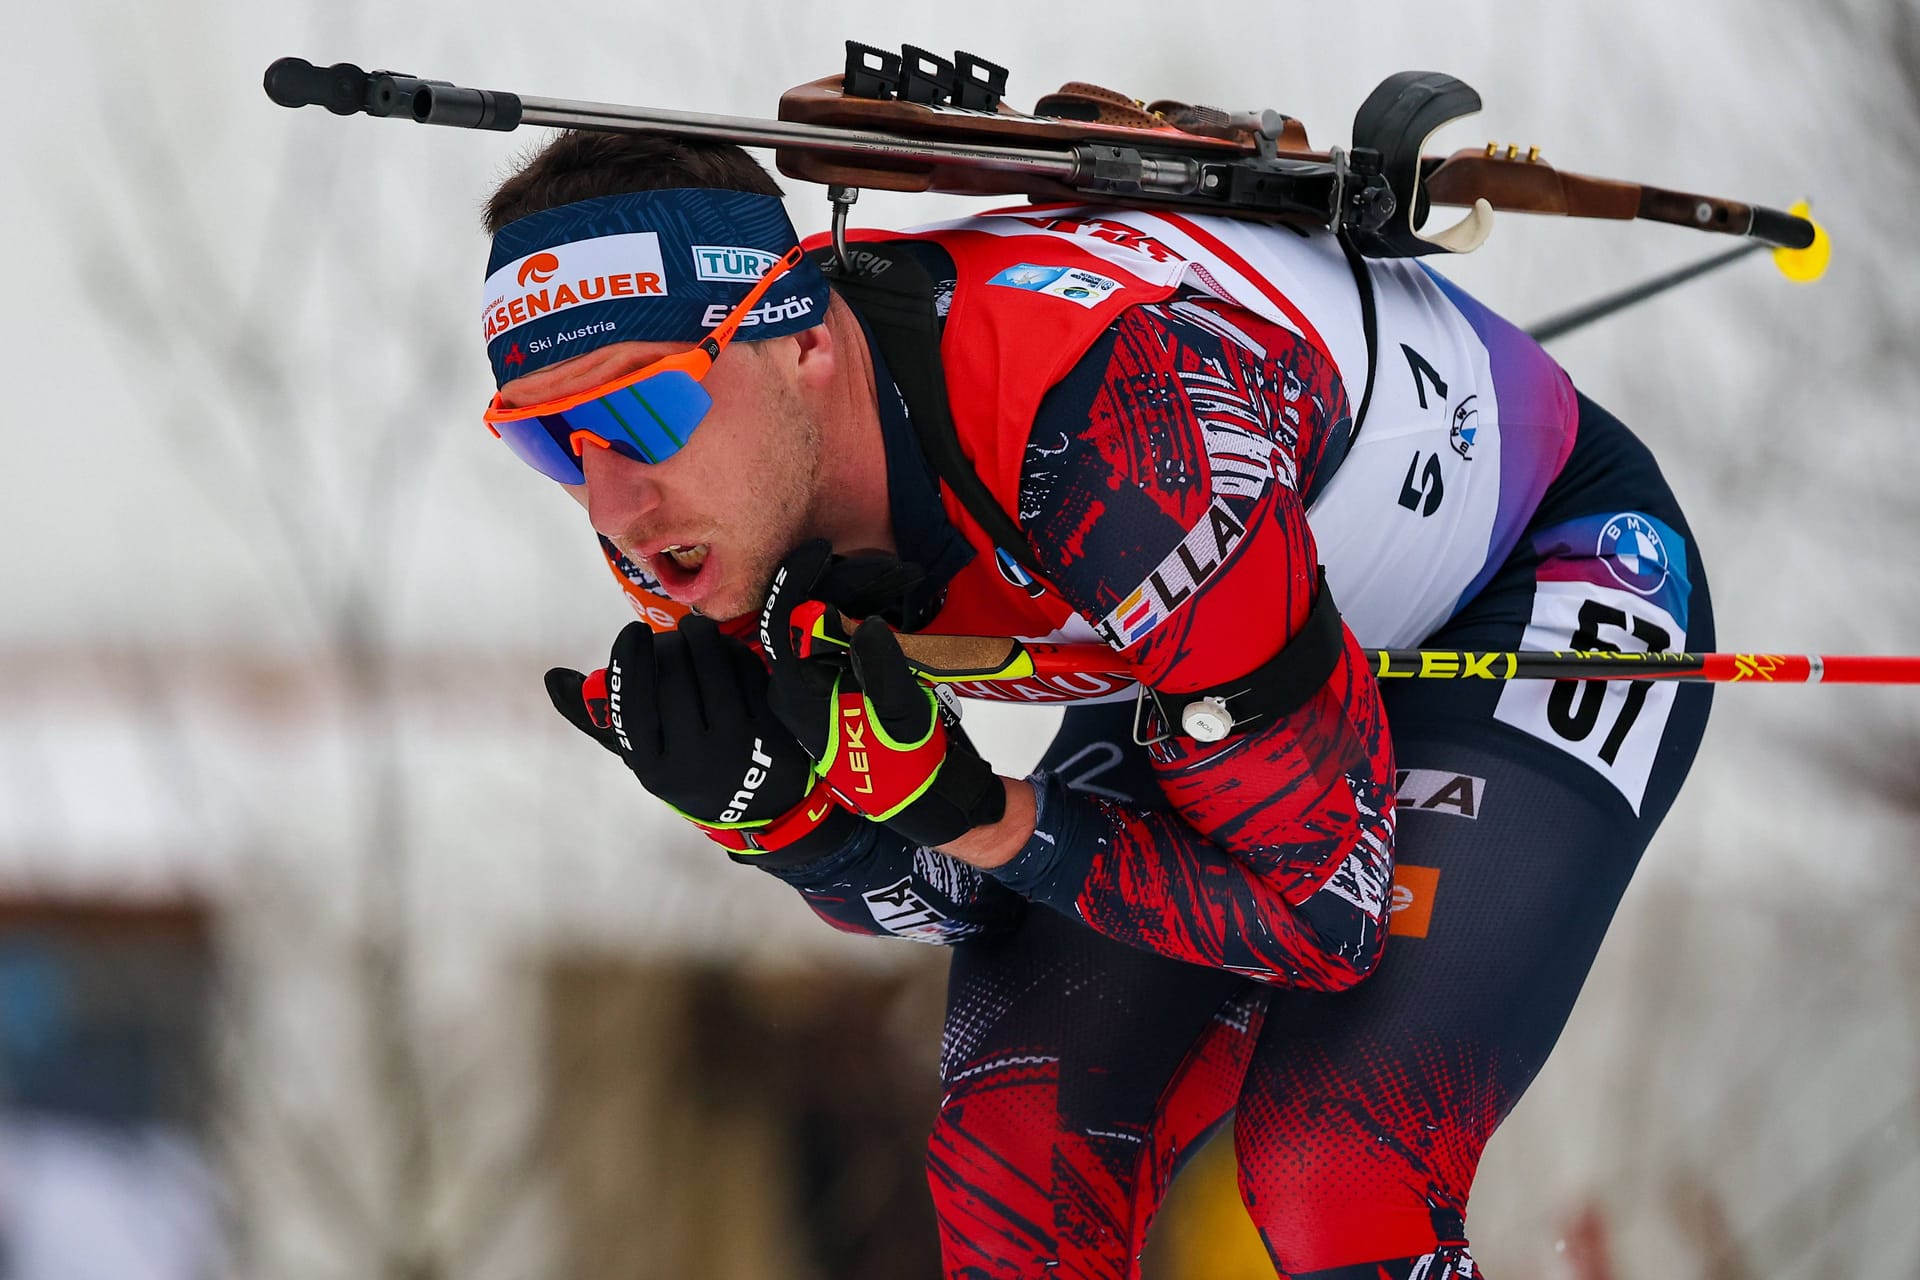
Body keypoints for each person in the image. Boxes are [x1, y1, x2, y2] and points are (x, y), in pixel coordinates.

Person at [476, 129, 1713, 1279]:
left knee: (1334, 1160)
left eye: (642, 409)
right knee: (1017, 1152)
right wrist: (787, 820)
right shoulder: (732, 518)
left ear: (804, 337)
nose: (611, 505)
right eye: (554, 444)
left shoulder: (1110, 428)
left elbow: (1320, 919)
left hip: (1530, 580)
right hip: (1207, 649)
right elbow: (975, 905)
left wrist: (980, 811)